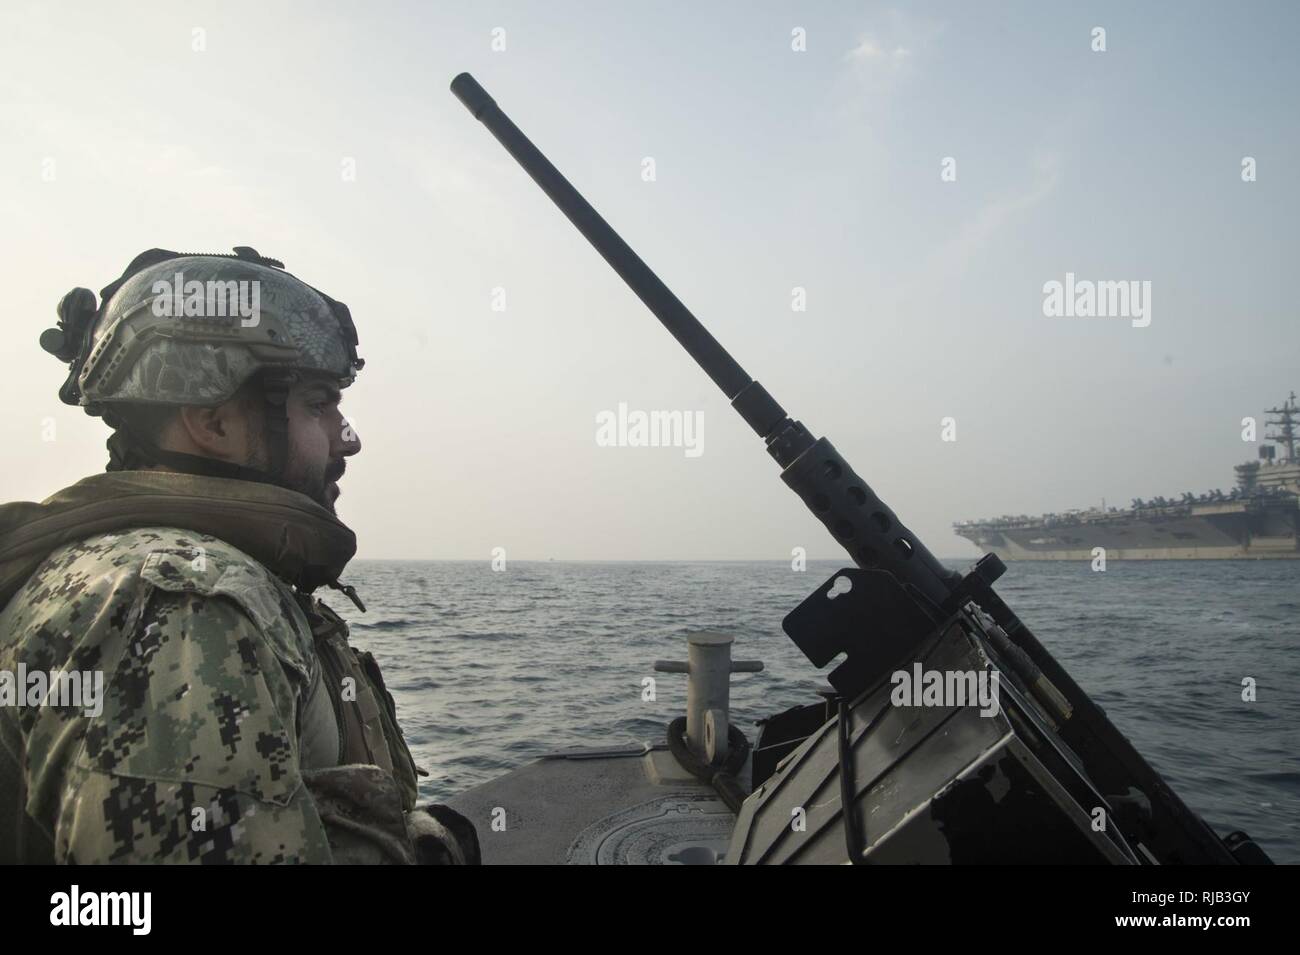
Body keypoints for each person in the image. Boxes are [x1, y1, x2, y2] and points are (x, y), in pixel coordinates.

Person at [0, 247, 479, 864]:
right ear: (213, 423)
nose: (345, 439)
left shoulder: (156, 576)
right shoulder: (185, 609)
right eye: (317, 404)